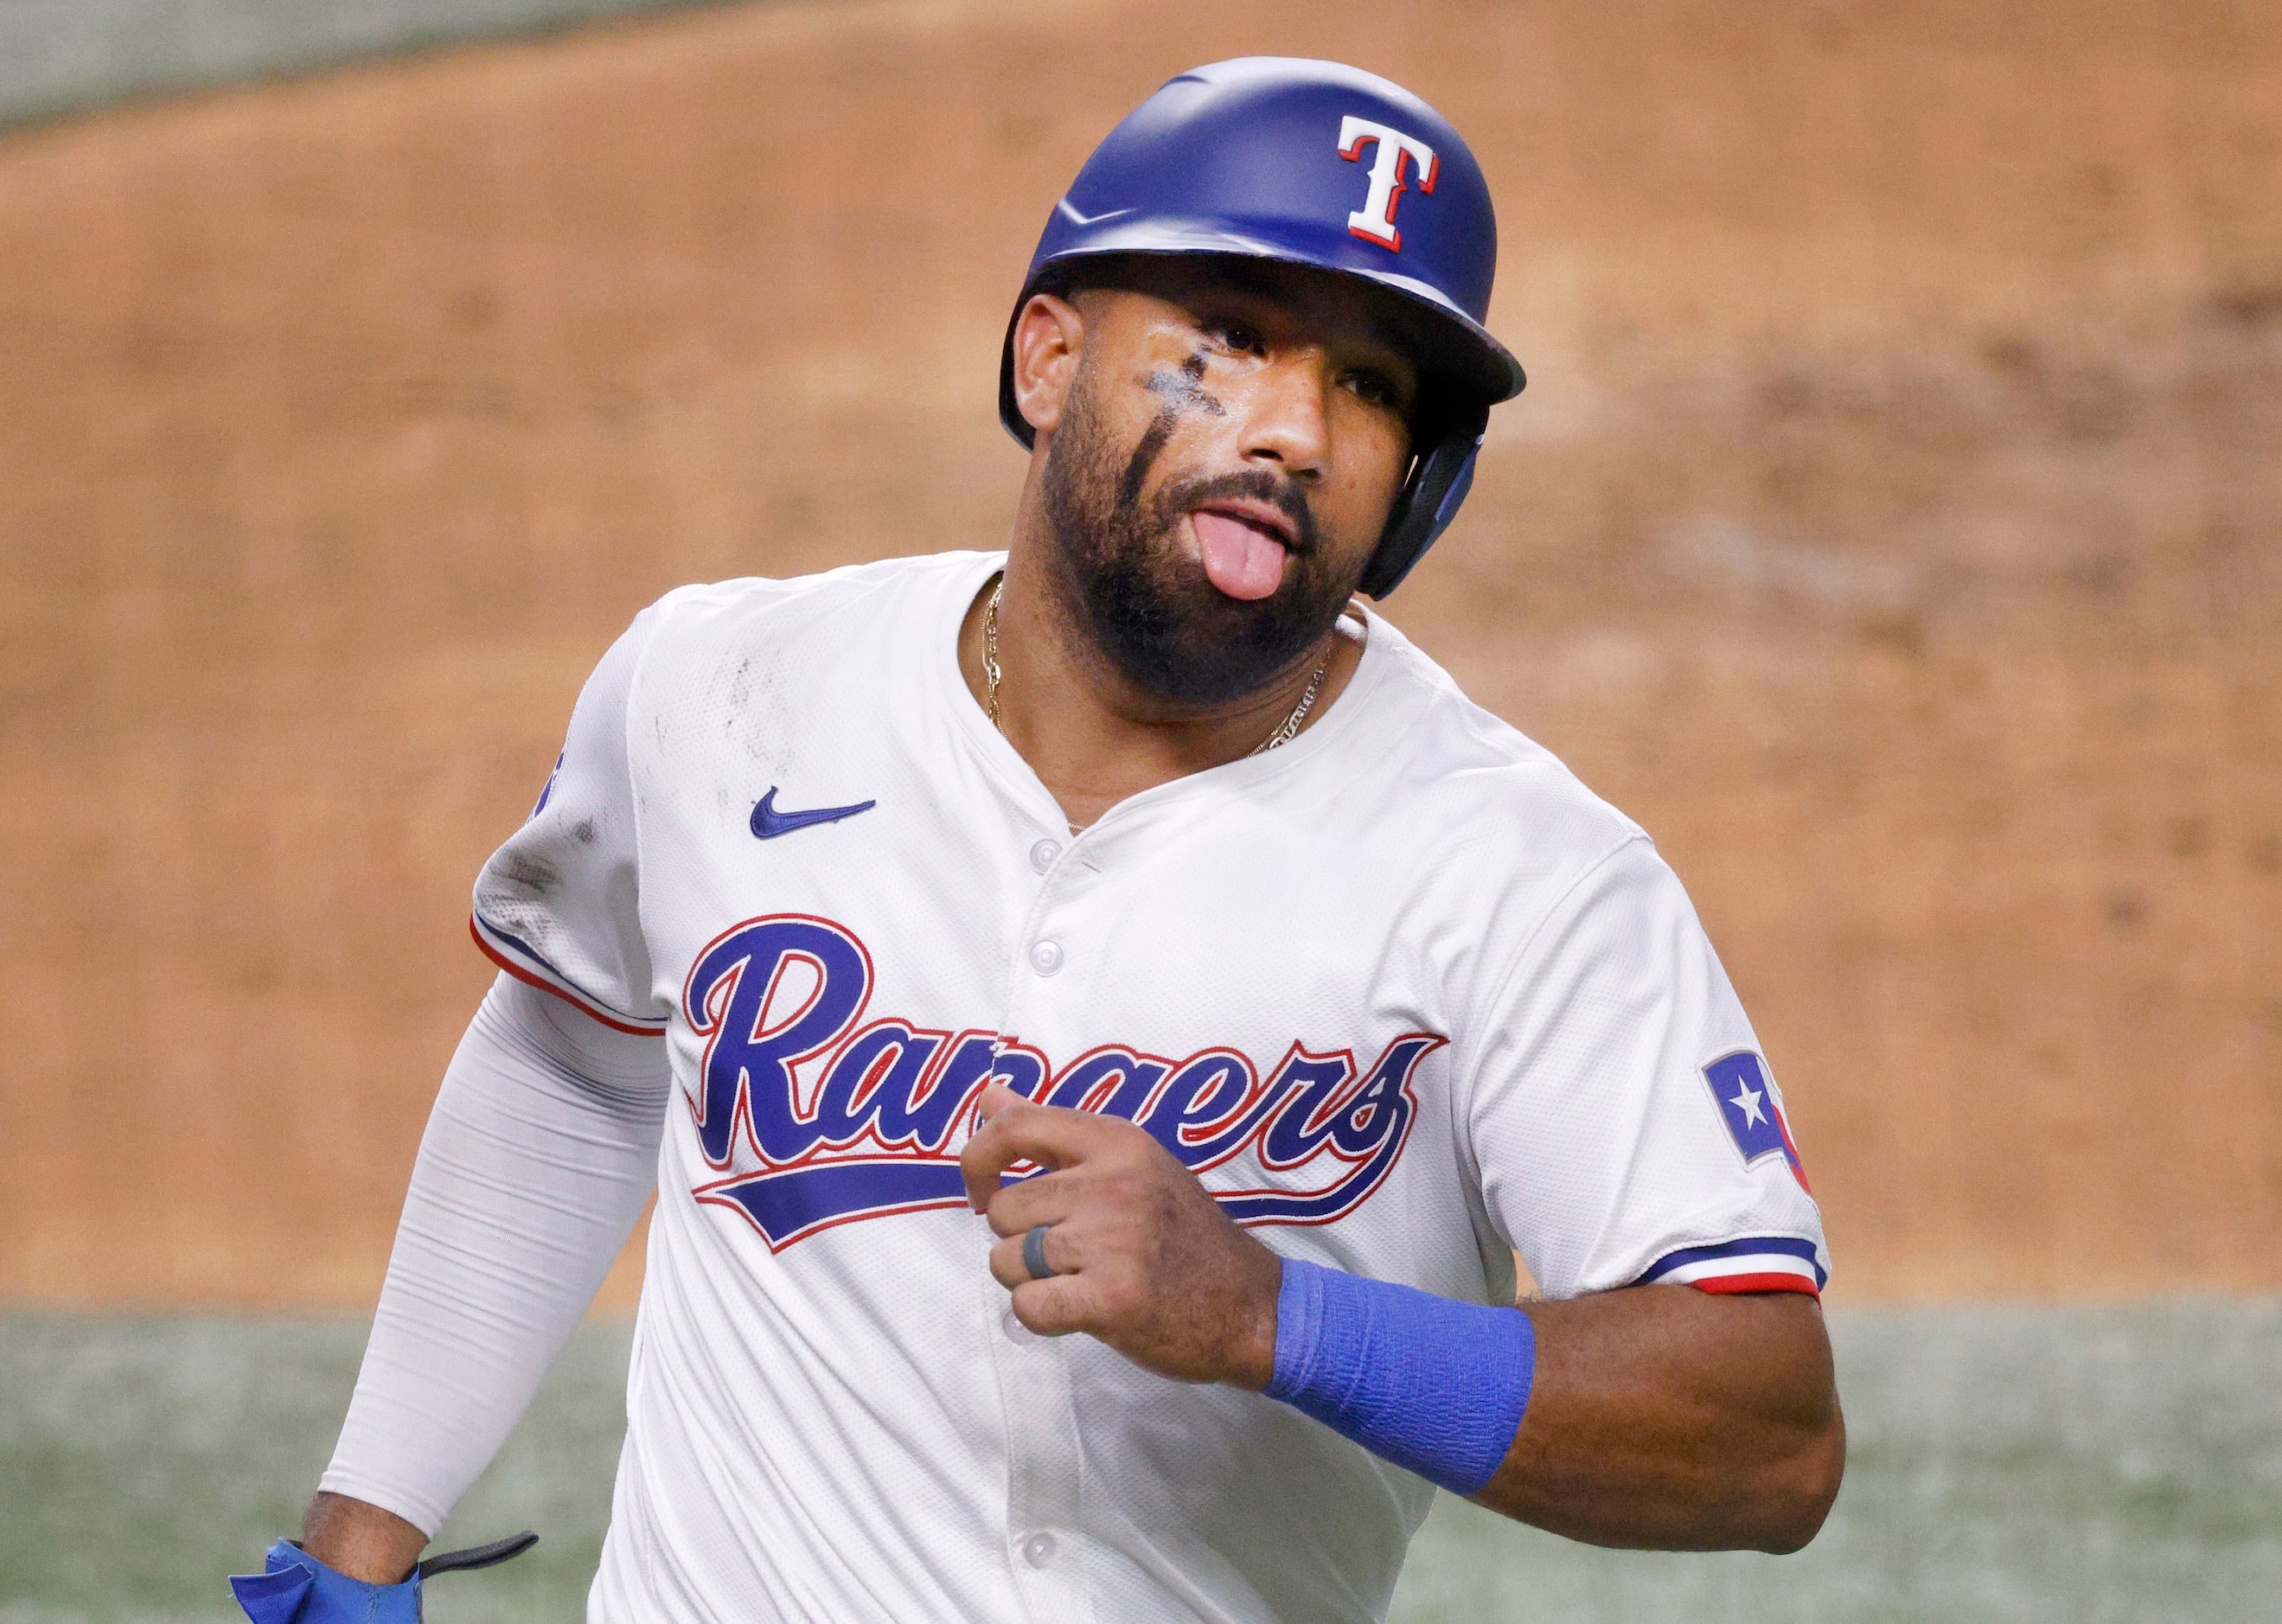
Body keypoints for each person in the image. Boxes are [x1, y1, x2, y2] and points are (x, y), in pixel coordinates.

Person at [234, 55, 1842, 1624]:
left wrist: (1271, 1317)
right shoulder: (719, 691)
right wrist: (363, 1529)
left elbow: (1765, 1434)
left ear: (1419, 487)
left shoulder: (1525, 871)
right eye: (1230, 337)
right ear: (1047, 359)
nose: (1292, 427)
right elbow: (569, 1063)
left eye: (1369, 387)